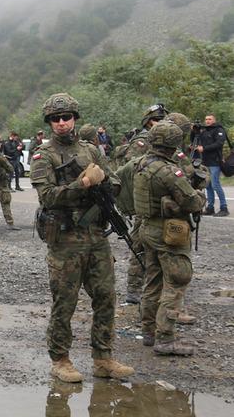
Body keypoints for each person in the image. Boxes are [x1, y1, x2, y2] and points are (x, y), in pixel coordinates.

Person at [30, 93, 134, 383]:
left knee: (105, 297)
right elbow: (48, 196)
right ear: (49, 123)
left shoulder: (90, 149)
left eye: (66, 117)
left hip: (96, 236)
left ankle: (103, 358)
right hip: (65, 240)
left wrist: (103, 183)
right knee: (65, 301)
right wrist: (81, 184)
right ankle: (60, 360)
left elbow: (113, 181)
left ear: (74, 117)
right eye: (55, 119)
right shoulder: (43, 155)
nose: (62, 123)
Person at [134, 121, 207, 356]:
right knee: (176, 281)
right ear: (174, 144)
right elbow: (192, 202)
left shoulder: (142, 163)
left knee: (153, 280)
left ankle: (149, 331)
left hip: (148, 229)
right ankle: (165, 338)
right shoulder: (168, 171)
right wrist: (199, 195)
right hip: (168, 233)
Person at [191, 113, 229, 217]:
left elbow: (219, 143)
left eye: (210, 119)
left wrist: (204, 148)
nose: (207, 121)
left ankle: (224, 208)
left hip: (215, 161)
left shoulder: (219, 130)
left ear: (214, 120)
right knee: (208, 186)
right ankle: (210, 208)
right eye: (206, 119)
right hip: (205, 162)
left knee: (215, 185)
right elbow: (194, 140)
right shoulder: (204, 131)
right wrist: (193, 131)